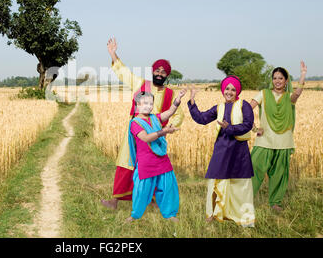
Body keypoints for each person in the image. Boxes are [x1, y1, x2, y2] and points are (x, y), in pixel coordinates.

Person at [101, 37, 184, 210]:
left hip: (153, 136)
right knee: (126, 163)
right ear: (153, 71)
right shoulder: (141, 84)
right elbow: (124, 73)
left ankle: (152, 200)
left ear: (167, 75)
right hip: (135, 133)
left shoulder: (169, 94)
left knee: (152, 166)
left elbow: (177, 114)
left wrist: (167, 128)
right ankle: (114, 201)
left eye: (163, 72)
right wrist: (113, 54)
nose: (160, 74)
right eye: (157, 70)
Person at [187, 76, 256, 227]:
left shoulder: (244, 105)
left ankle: (243, 216)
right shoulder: (219, 107)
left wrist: (229, 128)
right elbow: (202, 118)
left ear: (237, 91)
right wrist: (192, 101)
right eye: (227, 89)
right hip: (222, 149)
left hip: (239, 150)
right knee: (216, 180)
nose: (229, 92)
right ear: (223, 90)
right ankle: (213, 213)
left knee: (240, 182)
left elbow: (248, 124)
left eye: (233, 89)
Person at [249, 61, 307, 212]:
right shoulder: (263, 94)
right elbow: (247, 110)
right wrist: (255, 128)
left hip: (283, 142)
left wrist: (302, 75)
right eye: (275, 78)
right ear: (272, 80)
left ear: (286, 81)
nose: (277, 81)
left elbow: (298, 93)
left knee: (279, 174)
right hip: (264, 141)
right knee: (253, 169)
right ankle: (245, 201)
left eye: (281, 78)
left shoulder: (289, 97)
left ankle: (275, 203)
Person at [126, 90, 185, 222]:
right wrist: (163, 131)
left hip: (162, 160)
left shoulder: (154, 118)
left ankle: (169, 214)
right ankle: (135, 215)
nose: (148, 106)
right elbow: (146, 138)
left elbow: (170, 112)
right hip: (146, 162)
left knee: (167, 187)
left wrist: (178, 99)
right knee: (142, 190)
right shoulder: (135, 123)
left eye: (151, 103)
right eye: (145, 103)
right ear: (137, 105)